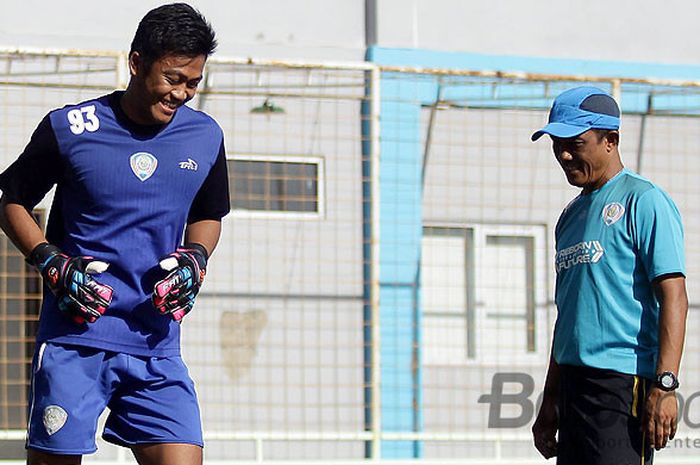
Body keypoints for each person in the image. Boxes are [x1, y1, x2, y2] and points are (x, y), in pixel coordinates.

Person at [0, 3, 229, 465]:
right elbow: (10, 199)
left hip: (156, 343)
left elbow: (209, 215)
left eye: (193, 82)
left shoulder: (205, 135)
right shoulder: (70, 128)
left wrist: (197, 258)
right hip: (75, 339)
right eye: (173, 78)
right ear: (136, 62)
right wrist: (49, 260)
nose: (182, 93)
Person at [530, 86, 688, 465]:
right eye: (557, 144)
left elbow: (674, 296)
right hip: (572, 386)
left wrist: (666, 385)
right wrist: (550, 398)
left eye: (576, 143)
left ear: (610, 140)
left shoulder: (643, 200)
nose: (564, 154)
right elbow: (568, 315)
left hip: (620, 383)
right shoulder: (570, 217)